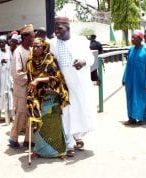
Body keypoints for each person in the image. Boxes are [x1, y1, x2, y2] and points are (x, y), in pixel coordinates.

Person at [49, 16, 97, 157]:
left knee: (80, 110)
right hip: (63, 83)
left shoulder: (80, 41)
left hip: (80, 82)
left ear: (68, 27)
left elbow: (91, 58)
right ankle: (69, 143)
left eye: (60, 27)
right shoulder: (52, 43)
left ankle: (77, 135)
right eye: (55, 27)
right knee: (66, 112)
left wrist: (83, 61)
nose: (57, 30)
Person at [26, 38, 69, 159]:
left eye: (38, 46)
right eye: (33, 46)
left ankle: (60, 151)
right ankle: (38, 151)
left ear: (44, 47)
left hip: (52, 95)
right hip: (37, 97)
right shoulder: (30, 62)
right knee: (38, 123)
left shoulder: (51, 59)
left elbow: (57, 78)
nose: (35, 49)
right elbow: (30, 81)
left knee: (54, 124)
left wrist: (39, 79)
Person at [8, 24, 35, 148]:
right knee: (21, 113)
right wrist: (30, 78)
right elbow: (16, 73)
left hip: (32, 88)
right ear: (26, 37)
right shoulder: (18, 52)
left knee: (31, 113)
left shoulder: (31, 50)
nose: (34, 39)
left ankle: (28, 140)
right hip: (22, 89)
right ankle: (13, 138)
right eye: (32, 37)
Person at [122, 30, 146, 125]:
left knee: (142, 98)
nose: (132, 39)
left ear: (140, 39)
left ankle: (143, 118)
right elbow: (128, 65)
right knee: (130, 98)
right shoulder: (131, 50)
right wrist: (124, 78)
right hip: (130, 80)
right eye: (131, 37)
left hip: (142, 81)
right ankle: (132, 118)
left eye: (134, 37)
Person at [0, 35, 14, 124]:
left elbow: (12, 63)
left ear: (5, 43)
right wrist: (0, 62)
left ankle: (11, 115)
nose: (1, 43)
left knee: (9, 95)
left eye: (3, 42)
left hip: (8, 77)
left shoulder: (9, 52)